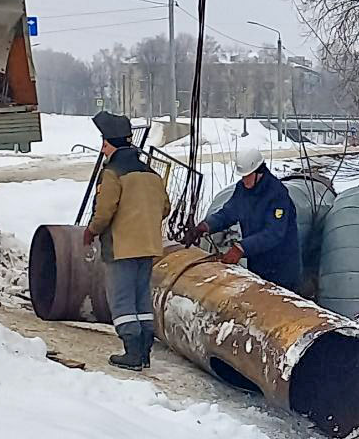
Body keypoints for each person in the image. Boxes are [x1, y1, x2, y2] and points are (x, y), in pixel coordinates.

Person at [84, 112, 171, 372]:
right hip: (148, 247)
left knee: (121, 300)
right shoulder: (151, 173)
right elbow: (164, 207)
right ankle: (144, 351)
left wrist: (91, 231)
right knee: (141, 298)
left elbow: (104, 211)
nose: (102, 147)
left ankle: (131, 352)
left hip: (121, 247)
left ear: (108, 143)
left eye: (103, 142)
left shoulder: (112, 173)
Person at [191, 147, 301, 292]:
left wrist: (242, 248)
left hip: (281, 269)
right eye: (242, 177)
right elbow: (228, 213)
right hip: (258, 265)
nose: (244, 180)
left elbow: (273, 233)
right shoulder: (242, 189)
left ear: (259, 172)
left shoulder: (277, 195)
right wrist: (206, 226)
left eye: (247, 176)